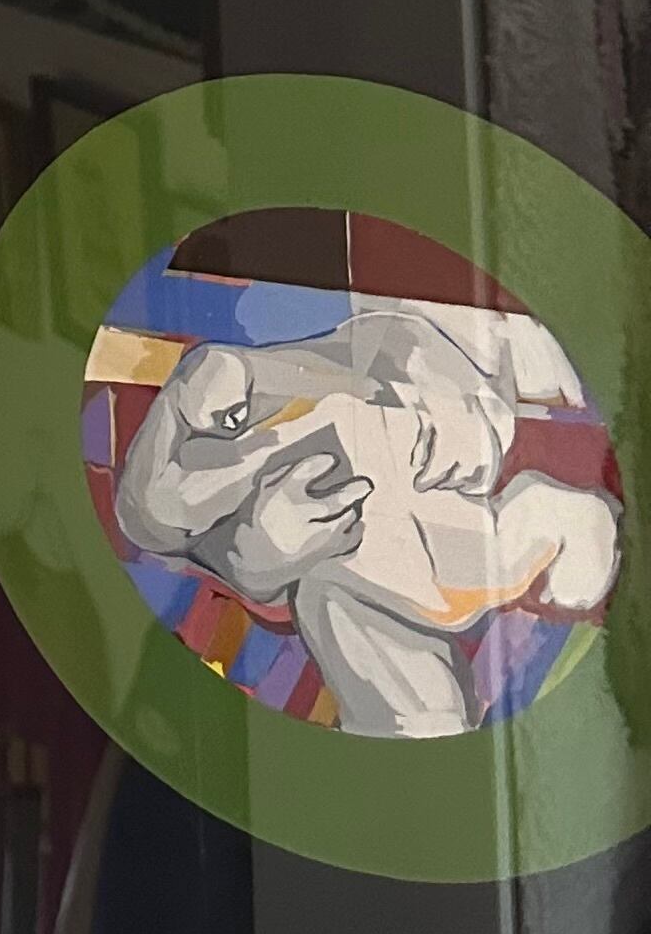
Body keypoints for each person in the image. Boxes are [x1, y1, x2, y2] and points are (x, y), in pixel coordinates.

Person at [113, 308, 621, 736]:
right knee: (342, 599)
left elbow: (374, 347)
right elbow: (179, 532)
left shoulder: (241, 390)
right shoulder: (194, 497)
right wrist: (254, 557)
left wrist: (429, 383)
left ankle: (544, 522)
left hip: (432, 385)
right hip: (376, 521)